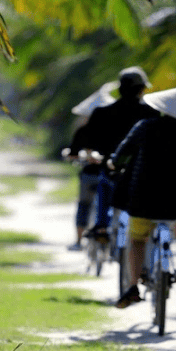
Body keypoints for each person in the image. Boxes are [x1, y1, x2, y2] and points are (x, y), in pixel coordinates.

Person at [111, 85, 176, 308]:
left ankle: (132, 285)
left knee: (138, 240)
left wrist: (115, 163)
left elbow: (122, 153)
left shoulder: (145, 127)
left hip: (142, 200)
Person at [76, 67, 160, 241]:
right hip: (143, 173)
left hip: (112, 170)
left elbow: (88, 142)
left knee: (104, 183)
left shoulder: (102, 112)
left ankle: (101, 225)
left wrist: (91, 154)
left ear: (120, 88)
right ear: (142, 89)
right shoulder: (151, 113)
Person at [63, 83, 117, 250]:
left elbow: (72, 152)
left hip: (89, 175)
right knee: (112, 205)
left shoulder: (83, 131)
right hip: (111, 175)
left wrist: (76, 156)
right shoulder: (114, 131)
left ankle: (79, 241)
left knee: (84, 205)